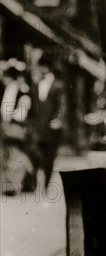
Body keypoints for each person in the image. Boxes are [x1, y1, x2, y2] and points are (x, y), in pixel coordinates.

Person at [30, 54, 66, 190]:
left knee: (49, 157)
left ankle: (46, 183)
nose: (41, 70)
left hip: (52, 128)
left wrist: (58, 120)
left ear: (48, 68)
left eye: (43, 67)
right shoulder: (36, 85)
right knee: (36, 153)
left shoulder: (58, 85)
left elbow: (62, 105)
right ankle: (34, 183)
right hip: (38, 127)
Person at [0, 65, 34, 195]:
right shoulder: (20, 89)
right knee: (13, 156)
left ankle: (12, 185)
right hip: (14, 125)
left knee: (13, 155)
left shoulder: (14, 88)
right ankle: (13, 184)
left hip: (12, 126)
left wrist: (7, 123)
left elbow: (8, 110)